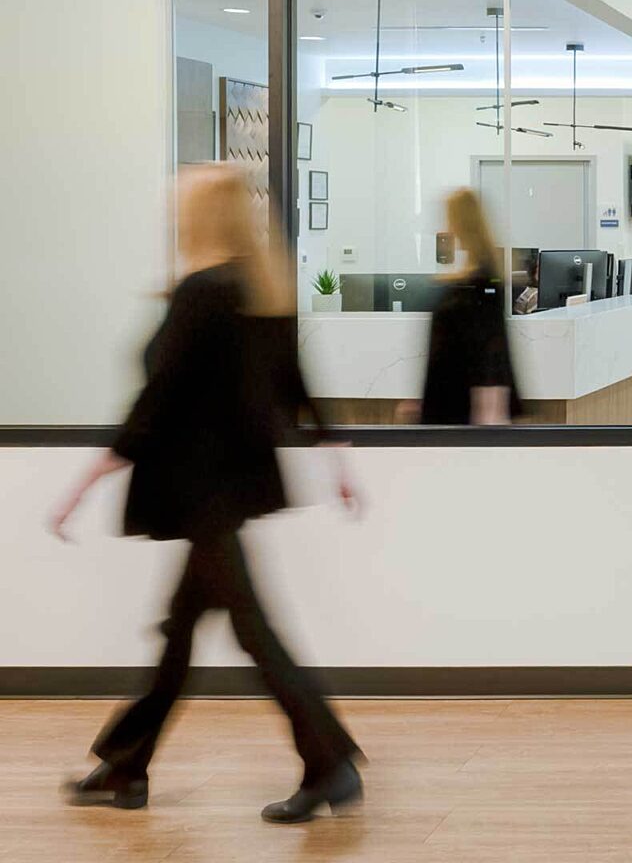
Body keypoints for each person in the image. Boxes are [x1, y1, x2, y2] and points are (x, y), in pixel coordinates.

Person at [48, 165, 365, 823]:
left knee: (252, 633)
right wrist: (335, 454)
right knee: (180, 631)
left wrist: (89, 477)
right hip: (229, 490)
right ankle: (125, 766)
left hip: (200, 493)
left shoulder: (201, 292)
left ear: (198, 218)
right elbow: (294, 381)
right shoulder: (257, 289)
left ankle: (328, 762)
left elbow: (158, 396)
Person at [403, 188, 520, 426]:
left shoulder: (482, 282)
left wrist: (491, 408)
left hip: (461, 406)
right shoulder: (470, 280)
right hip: (447, 400)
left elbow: (490, 349)